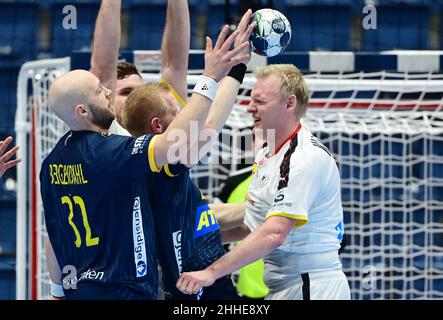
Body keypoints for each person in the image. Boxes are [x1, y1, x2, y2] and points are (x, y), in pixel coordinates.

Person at [40, 18, 248, 299]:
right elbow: (194, 131)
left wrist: (56, 290)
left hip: (89, 287)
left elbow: (55, 235)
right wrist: (211, 77)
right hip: (131, 289)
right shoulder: (116, 151)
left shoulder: (52, 163)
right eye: (108, 90)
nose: (109, 92)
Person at [176, 64, 351, 300]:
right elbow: (250, 225)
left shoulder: (303, 158)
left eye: (259, 101)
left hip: (312, 287)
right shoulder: (267, 154)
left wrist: (211, 272)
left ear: (290, 103)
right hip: (286, 286)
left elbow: (274, 233)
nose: (249, 108)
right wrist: (183, 241)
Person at [121, 10, 256, 300]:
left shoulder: (149, 160)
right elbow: (211, 123)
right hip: (192, 289)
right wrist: (213, 75)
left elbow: (209, 123)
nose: (188, 115)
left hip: (204, 277)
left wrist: (238, 65)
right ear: (158, 127)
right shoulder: (165, 163)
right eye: (179, 112)